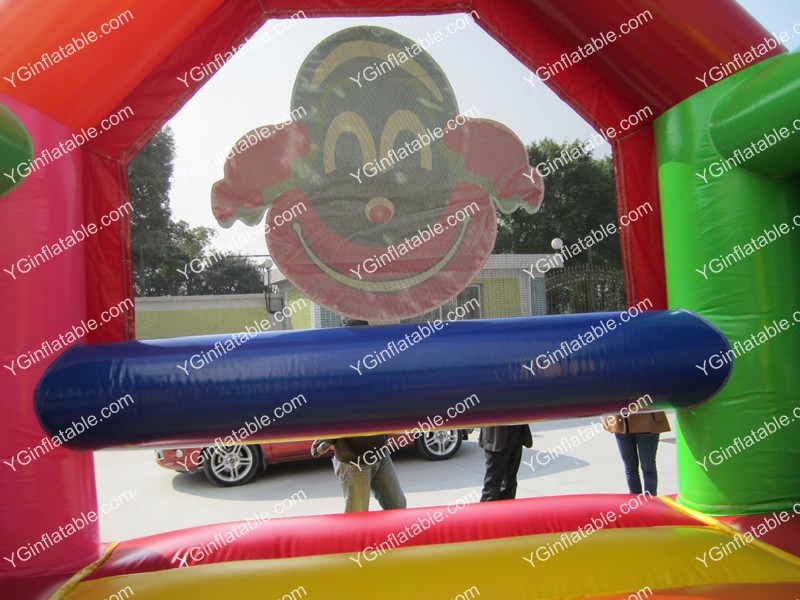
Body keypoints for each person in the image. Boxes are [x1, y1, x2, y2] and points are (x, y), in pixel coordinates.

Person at [310, 317, 406, 513]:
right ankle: (358, 545)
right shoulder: (338, 374)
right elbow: (333, 411)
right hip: (354, 462)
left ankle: (390, 542)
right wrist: (326, 439)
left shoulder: (374, 368)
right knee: (357, 518)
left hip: (379, 452)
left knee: (397, 506)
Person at [604, 412, 671, 495]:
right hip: (621, 420)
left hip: (646, 419)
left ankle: (650, 502)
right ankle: (635, 500)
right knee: (630, 467)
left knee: (648, 467)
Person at [478, 424, 532, 501]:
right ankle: (486, 512)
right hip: (496, 433)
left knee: (510, 482)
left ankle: (507, 511)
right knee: (492, 486)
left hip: (517, 429)